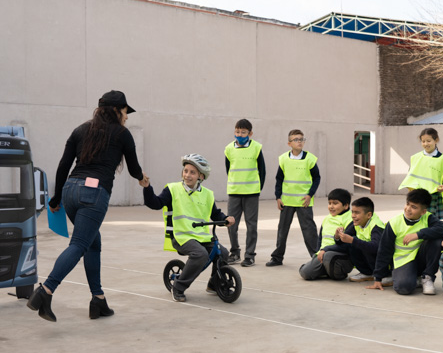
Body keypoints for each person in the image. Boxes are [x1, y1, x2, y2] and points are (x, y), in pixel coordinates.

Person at [27, 90, 148, 322]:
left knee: (93, 243)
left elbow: (64, 165)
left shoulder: (81, 130)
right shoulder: (122, 134)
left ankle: (98, 300)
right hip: (94, 194)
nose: (127, 116)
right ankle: (45, 291)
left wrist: (55, 198)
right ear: (115, 110)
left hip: (71, 190)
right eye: (125, 111)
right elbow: (134, 169)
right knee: (80, 244)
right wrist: (143, 178)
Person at [142, 154, 234, 302]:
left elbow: (215, 214)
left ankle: (213, 284)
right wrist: (147, 188)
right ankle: (178, 287)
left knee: (222, 252)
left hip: (201, 236)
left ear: (201, 176)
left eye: (192, 172)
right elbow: (155, 203)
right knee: (200, 254)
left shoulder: (207, 194)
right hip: (181, 236)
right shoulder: (173, 189)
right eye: (185, 171)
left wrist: (225, 219)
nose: (187, 175)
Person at [367, 189, 443, 295]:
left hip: (421, 260)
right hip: (403, 261)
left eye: (414, 207)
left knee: (437, 240)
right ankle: (412, 279)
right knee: (404, 288)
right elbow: (384, 250)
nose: (408, 209)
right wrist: (378, 278)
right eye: (408, 204)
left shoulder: (428, 217)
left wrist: (418, 234)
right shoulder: (394, 223)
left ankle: (427, 277)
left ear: (423, 211)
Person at [266, 129, 320, 267]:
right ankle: (277, 258)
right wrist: (278, 197)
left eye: (301, 139)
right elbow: (279, 179)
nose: (299, 142)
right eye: (296, 139)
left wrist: (310, 195)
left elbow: (316, 178)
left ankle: (317, 258)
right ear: (289, 143)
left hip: (304, 202)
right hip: (287, 201)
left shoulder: (310, 159)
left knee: (309, 231)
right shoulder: (283, 158)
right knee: (282, 231)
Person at [225, 118, 266, 267]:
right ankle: (235, 252)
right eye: (237, 131)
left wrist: (257, 188)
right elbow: (228, 169)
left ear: (250, 133)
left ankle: (249, 256)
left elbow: (262, 170)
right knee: (231, 224)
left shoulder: (256, 148)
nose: (239, 134)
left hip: (251, 193)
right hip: (234, 192)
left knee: (251, 225)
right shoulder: (229, 148)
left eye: (243, 132)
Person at [398, 127, 443, 220]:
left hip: (432, 196)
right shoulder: (415, 157)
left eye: (428, 141)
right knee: (414, 219)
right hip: (416, 194)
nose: (425, 144)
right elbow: (410, 175)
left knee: (430, 221)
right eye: (423, 141)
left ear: (436, 140)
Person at [298, 189, 352, 280]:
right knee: (305, 273)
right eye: (329, 203)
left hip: (339, 255)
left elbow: (346, 245)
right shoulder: (327, 219)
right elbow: (320, 239)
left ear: (346, 206)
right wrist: (318, 252)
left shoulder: (349, 219)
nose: (331, 206)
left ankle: (338, 273)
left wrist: (325, 250)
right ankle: (325, 269)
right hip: (323, 254)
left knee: (328, 257)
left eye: (335, 203)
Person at [336, 197, 386, 283]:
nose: (353, 216)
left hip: (383, 263)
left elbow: (376, 247)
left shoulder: (376, 226)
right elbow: (344, 239)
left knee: (356, 242)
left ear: (369, 215)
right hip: (370, 260)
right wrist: (338, 236)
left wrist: (353, 240)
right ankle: (367, 273)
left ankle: (383, 274)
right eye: (352, 212)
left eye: (357, 213)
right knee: (351, 244)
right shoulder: (357, 222)